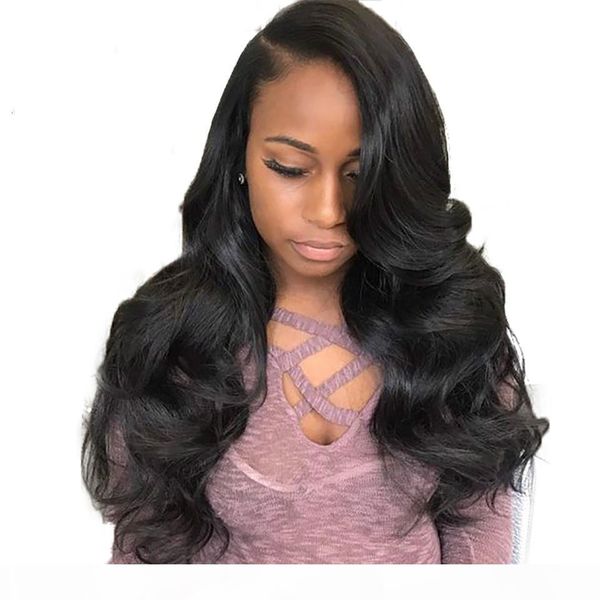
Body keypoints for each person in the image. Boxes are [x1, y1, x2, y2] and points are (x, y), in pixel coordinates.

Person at [80, 0, 549, 564]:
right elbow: (143, 557)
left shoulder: (450, 333)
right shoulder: (174, 342)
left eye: (361, 174)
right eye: (290, 168)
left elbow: (483, 548)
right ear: (239, 156)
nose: (328, 211)